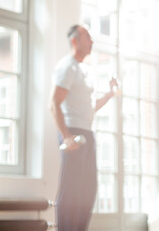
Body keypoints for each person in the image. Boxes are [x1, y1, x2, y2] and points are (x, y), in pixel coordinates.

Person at [50, 24, 118, 231]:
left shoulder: (85, 70)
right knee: (70, 192)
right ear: (75, 41)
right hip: (74, 134)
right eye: (87, 37)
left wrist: (109, 93)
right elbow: (54, 103)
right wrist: (66, 136)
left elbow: (91, 107)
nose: (92, 42)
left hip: (88, 133)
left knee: (87, 191)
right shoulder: (67, 67)